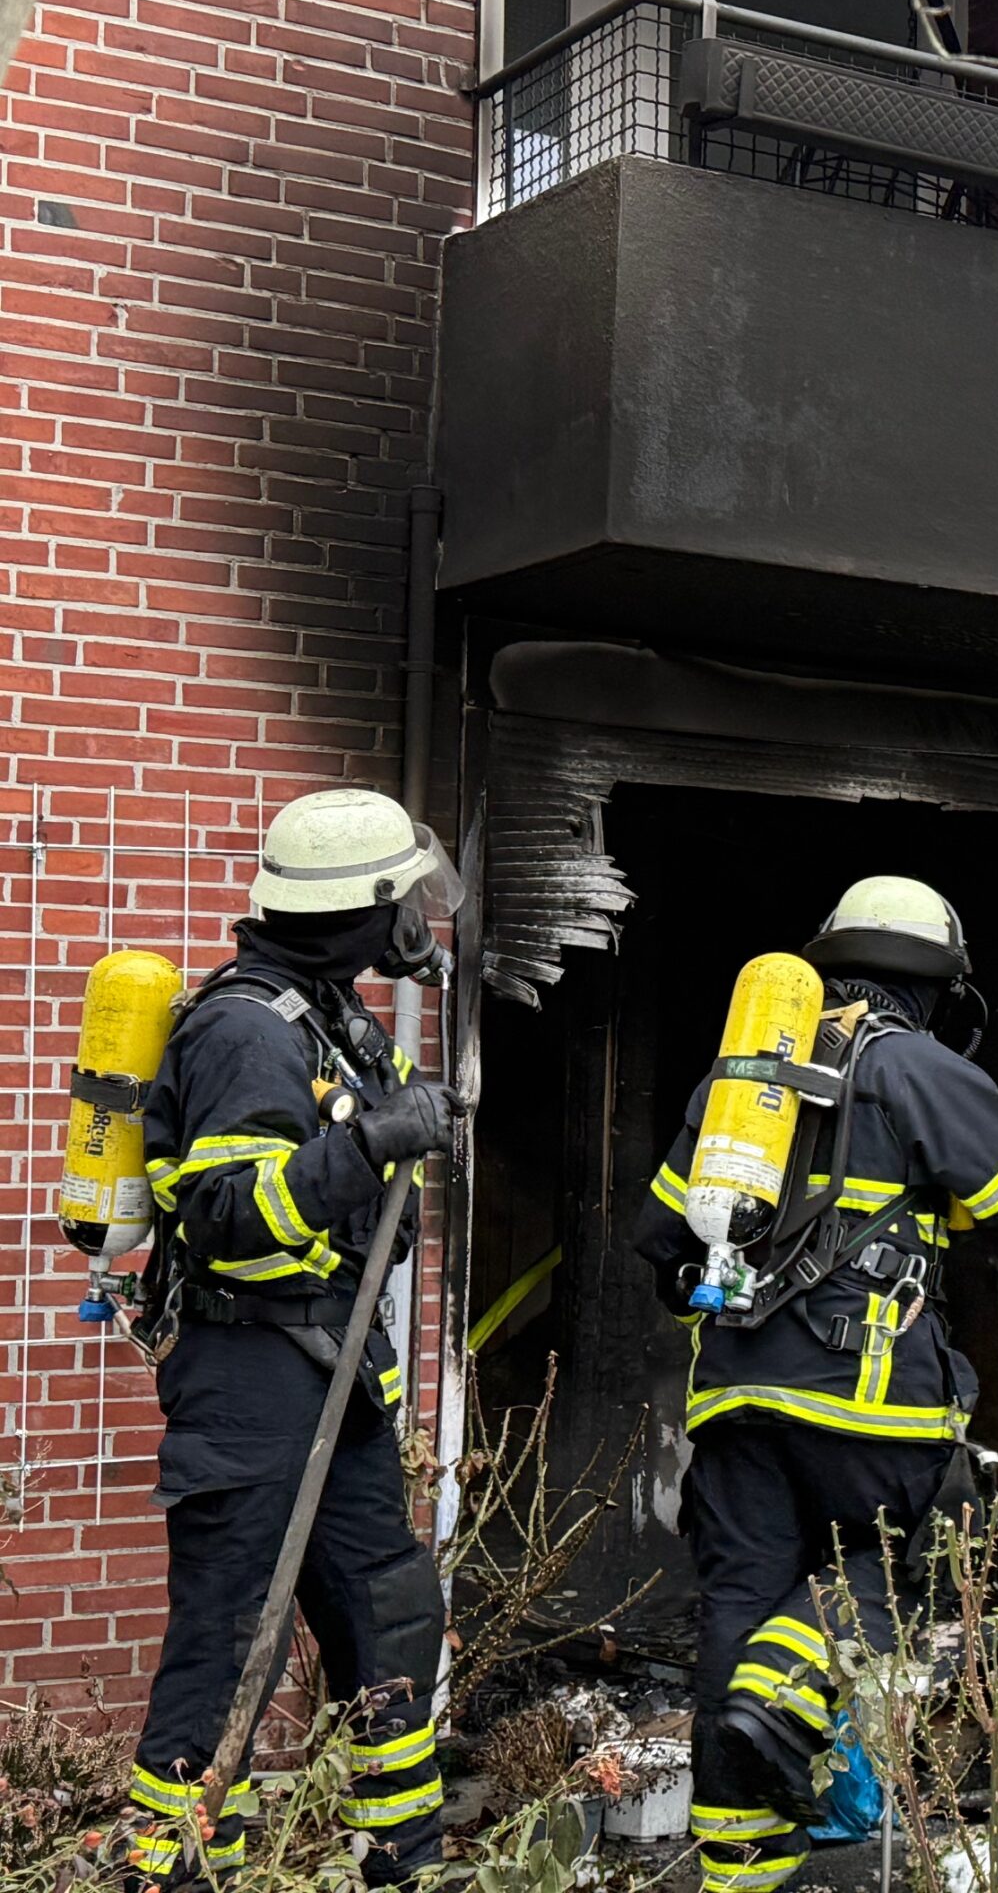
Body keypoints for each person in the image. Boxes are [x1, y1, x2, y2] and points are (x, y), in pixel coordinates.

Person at [630, 877, 998, 1893]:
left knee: (740, 1604)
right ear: (939, 982)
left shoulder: (740, 1085)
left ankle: (739, 1869)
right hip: (867, 1395)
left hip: (734, 1399)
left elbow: (661, 1238)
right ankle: (781, 1700)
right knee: (908, 1555)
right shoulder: (915, 1068)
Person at [128, 788, 467, 1888]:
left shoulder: (332, 1019)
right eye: (406, 898)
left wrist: (381, 1144)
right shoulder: (243, 1030)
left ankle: (403, 1854)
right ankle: (167, 1866)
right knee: (226, 1644)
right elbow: (229, 1217)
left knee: (388, 1612)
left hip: (333, 1377)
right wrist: (369, 1142)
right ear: (361, 907)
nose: (419, 919)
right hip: (251, 1378)